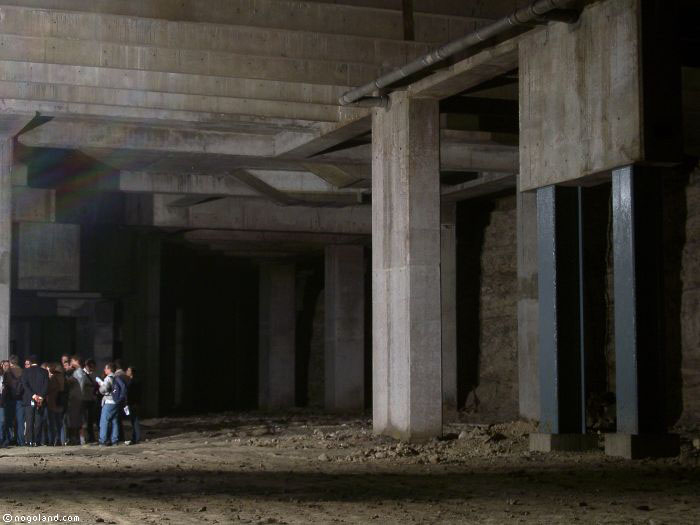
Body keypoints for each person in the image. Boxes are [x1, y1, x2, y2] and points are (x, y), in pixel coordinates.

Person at [21, 355, 49, 447]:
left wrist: (33, 395)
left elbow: (25, 385)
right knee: (38, 420)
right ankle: (37, 441)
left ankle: (29, 441)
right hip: (40, 400)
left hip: (29, 399)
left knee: (29, 421)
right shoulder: (44, 372)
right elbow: (46, 386)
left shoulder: (25, 371)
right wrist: (40, 397)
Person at [98, 363, 120, 446]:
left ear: (109, 369)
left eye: (105, 368)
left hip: (109, 402)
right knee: (115, 421)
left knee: (104, 421)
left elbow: (105, 388)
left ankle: (102, 440)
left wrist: (100, 387)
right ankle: (115, 440)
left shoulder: (108, 378)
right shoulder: (117, 377)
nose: (104, 370)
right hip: (116, 402)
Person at [6, 355, 25, 446]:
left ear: (10, 362)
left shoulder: (8, 372)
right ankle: (21, 440)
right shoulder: (22, 371)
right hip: (20, 399)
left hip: (10, 399)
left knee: (9, 420)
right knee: (20, 421)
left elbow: (6, 386)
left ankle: (9, 439)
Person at [46, 363, 65, 446]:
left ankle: (53, 440)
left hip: (53, 401)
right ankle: (61, 440)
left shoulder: (53, 378)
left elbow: (49, 389)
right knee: (60, 422)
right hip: (60, 401)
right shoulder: (63, 378)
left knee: (52, 423)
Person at [81, 359, 98, 443]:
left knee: (90, 420)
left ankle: (91, 437)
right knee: (85, 420)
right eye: (92, 367)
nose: (93, 369)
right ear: (87, 366)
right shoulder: (82, 374)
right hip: (84, 400)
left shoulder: (93, 374)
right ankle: (85, 438)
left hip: (91, 399)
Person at [124, 366, 141, 445]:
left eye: (128, 370)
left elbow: (134, 394)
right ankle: (135, 437)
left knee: (134, 420)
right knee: (134, 420)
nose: (126, 371)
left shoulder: (132, 382)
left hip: (133, 403)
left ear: (132, 372)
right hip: (134, 403)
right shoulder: (133, 381)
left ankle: (136, 438)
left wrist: (133, 403)